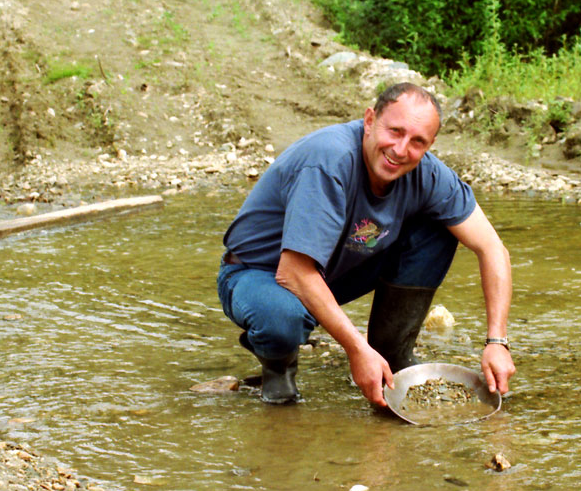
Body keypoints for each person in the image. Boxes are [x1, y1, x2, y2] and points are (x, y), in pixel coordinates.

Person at [216, 82, 515, 406]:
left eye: (417, 141)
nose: (401, 150)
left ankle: (392, 358)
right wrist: (357, 349)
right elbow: (294, 273)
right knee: (281, 318)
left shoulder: (429, 175)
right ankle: (278, 372)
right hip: (258, 273)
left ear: (430, 144)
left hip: (335, 268)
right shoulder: (330, 161)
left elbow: (492, 248)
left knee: (442, 227)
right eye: (395, 131)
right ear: (370, 120)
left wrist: (497, 341)